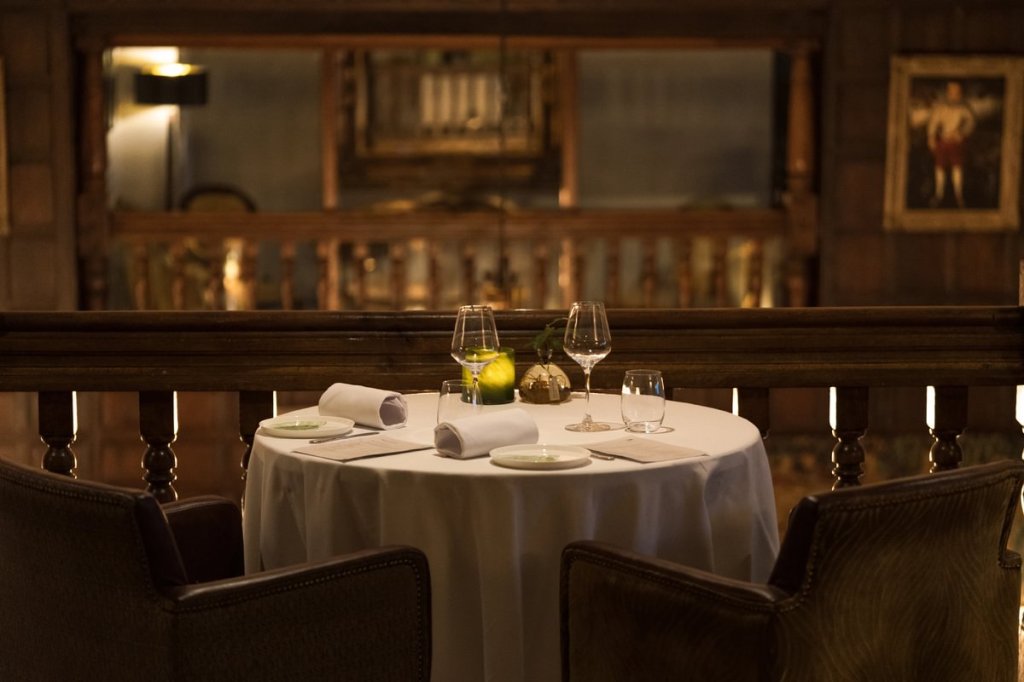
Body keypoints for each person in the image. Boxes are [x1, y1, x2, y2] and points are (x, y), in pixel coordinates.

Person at [926, 80, 976, 208]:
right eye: (952, 92)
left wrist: (961, 133)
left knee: (957, 168)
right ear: (947, 93)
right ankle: (939, 194)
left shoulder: (964, 108)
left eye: (957, 92)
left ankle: (959, 196)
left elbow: (971, 123)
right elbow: (933, 123)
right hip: (943, 141)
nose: (954, 95)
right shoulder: (940, 108)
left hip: (957, 143)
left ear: (960, 94)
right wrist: (931, 138)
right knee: (939, 168)